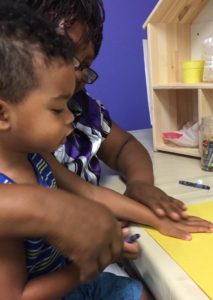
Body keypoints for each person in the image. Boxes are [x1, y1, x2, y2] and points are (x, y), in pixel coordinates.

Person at [15, 0, 213, 240]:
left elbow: (97, 184)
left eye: (86, 66)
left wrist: (142, 187)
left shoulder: (81, 111)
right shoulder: (25, 148)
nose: (79, 76)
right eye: (71, 59)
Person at [0, 2, 148, 299]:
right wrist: (94, 261)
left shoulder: (34, 156)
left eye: (85, 65)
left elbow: (88, 192)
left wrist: (157, 215)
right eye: (57, 108)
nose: (70, 117)